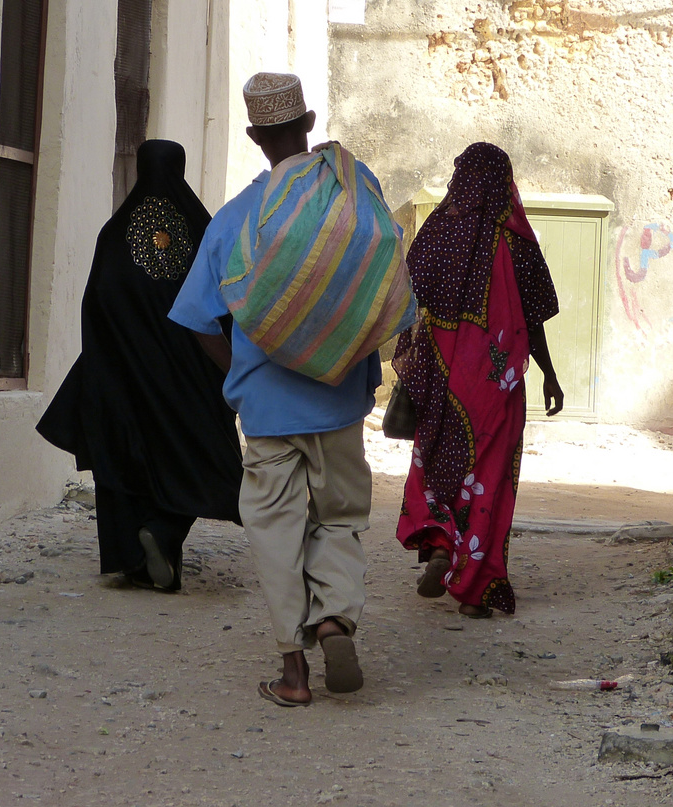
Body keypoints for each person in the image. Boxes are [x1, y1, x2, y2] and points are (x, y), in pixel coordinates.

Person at [170, 72, 407, 707]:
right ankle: (334, 616)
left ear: (254, 136)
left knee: (275, 529)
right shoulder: (354, 190)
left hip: (267, 411)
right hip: (338, 400)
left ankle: (294, 673)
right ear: (307, 123)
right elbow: (384, 275)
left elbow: (194, 319)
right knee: (339, 518)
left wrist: (241, 372)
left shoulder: (233, 220)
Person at [37, 139, 242, 592]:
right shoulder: (203, 229)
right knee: (196, 452)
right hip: (186, 377)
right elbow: (227, 299)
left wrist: (107, 362)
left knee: (124, 457)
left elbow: (96, 303)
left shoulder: (113, 234)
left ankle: (130, 558)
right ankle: (165, 534)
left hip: (123, 374)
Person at [392, 142, 563, 618]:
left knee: (437, 464)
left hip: (443, 380)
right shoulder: (516, 243)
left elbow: (405, 302)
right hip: (497, 385)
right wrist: (549, 374)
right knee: (488, 478)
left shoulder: (436, 230)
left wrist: (415, 367)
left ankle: (442, 543)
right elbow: (535, 319)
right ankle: (476, 588)